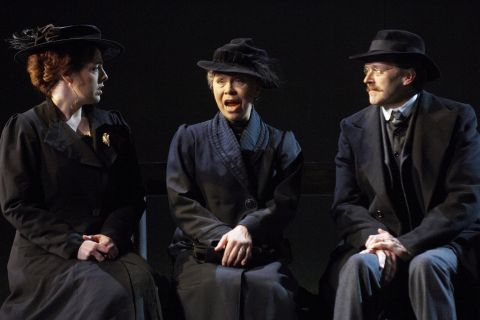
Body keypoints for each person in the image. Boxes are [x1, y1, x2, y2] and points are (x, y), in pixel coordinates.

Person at [0, 24, 162, 319]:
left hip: (107, 248)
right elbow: (18, 205)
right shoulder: (27, 128)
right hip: (49, 254)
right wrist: (74, 245)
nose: (105, 77)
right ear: (67, 74)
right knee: (105, 292)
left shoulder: (114, 126)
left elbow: (131, 195)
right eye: (96, 68)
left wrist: (112, 235)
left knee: (142, 281)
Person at [320, 29, 480, 319]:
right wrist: (375, 240)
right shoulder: (352, 127)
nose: (366, 79)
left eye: (378, 71)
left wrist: (408, 243)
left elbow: (465, 198)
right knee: (357, 265)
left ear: (407, 77)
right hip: (379, 238)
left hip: (442, 240)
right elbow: (345, 203)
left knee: (426, 265)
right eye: (366, 70)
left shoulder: (456, 118)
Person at [166, 38, 303, 320]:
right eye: (219, 81)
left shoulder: (282, 143)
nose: (228, 89)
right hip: (204, 251)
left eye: (238, 80)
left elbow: (283, 204)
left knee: (271, 290)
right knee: (209, 288)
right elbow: (182, 202)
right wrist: (226, 237)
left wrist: (247, 230)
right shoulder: (189, 138)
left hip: (261, 252)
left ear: (256, 87)